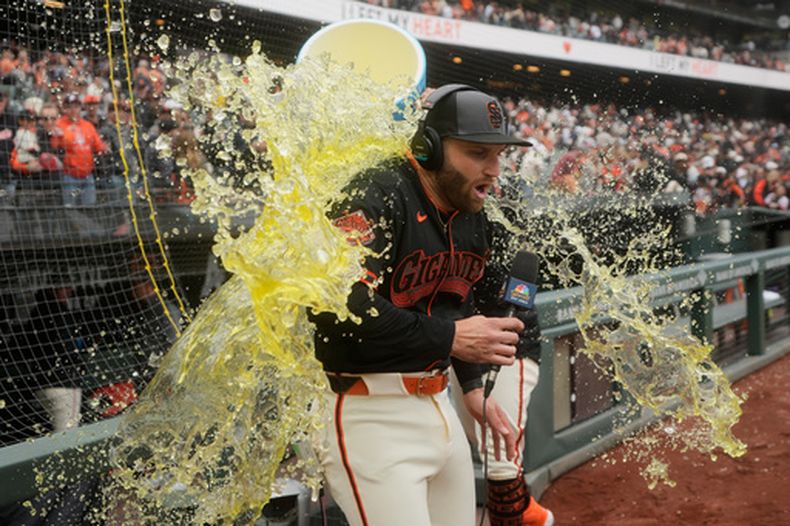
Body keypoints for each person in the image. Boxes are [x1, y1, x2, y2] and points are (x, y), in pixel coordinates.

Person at [310, 84, 534, 526]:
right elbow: (336, 306)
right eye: (477, 154)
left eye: (499, 155)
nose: (493, 170)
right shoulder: (374, 194)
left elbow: (456, 296)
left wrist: (471, 386)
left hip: (438, 406)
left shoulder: (471, 212)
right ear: (427, 148)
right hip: (368, 415)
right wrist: (452, 338)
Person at [50, 92, 108, 206]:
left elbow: (99, 146)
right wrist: (65, 135)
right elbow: (55, 146)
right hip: (69, 175)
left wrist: (105, 147)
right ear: (65, 109)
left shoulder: (87, 125)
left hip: (87, 174)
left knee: (90, 208)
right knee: (70, 208)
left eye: (76, 106)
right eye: (69, 107)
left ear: (80, 108)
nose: (73, 110)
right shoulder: (59, 124)